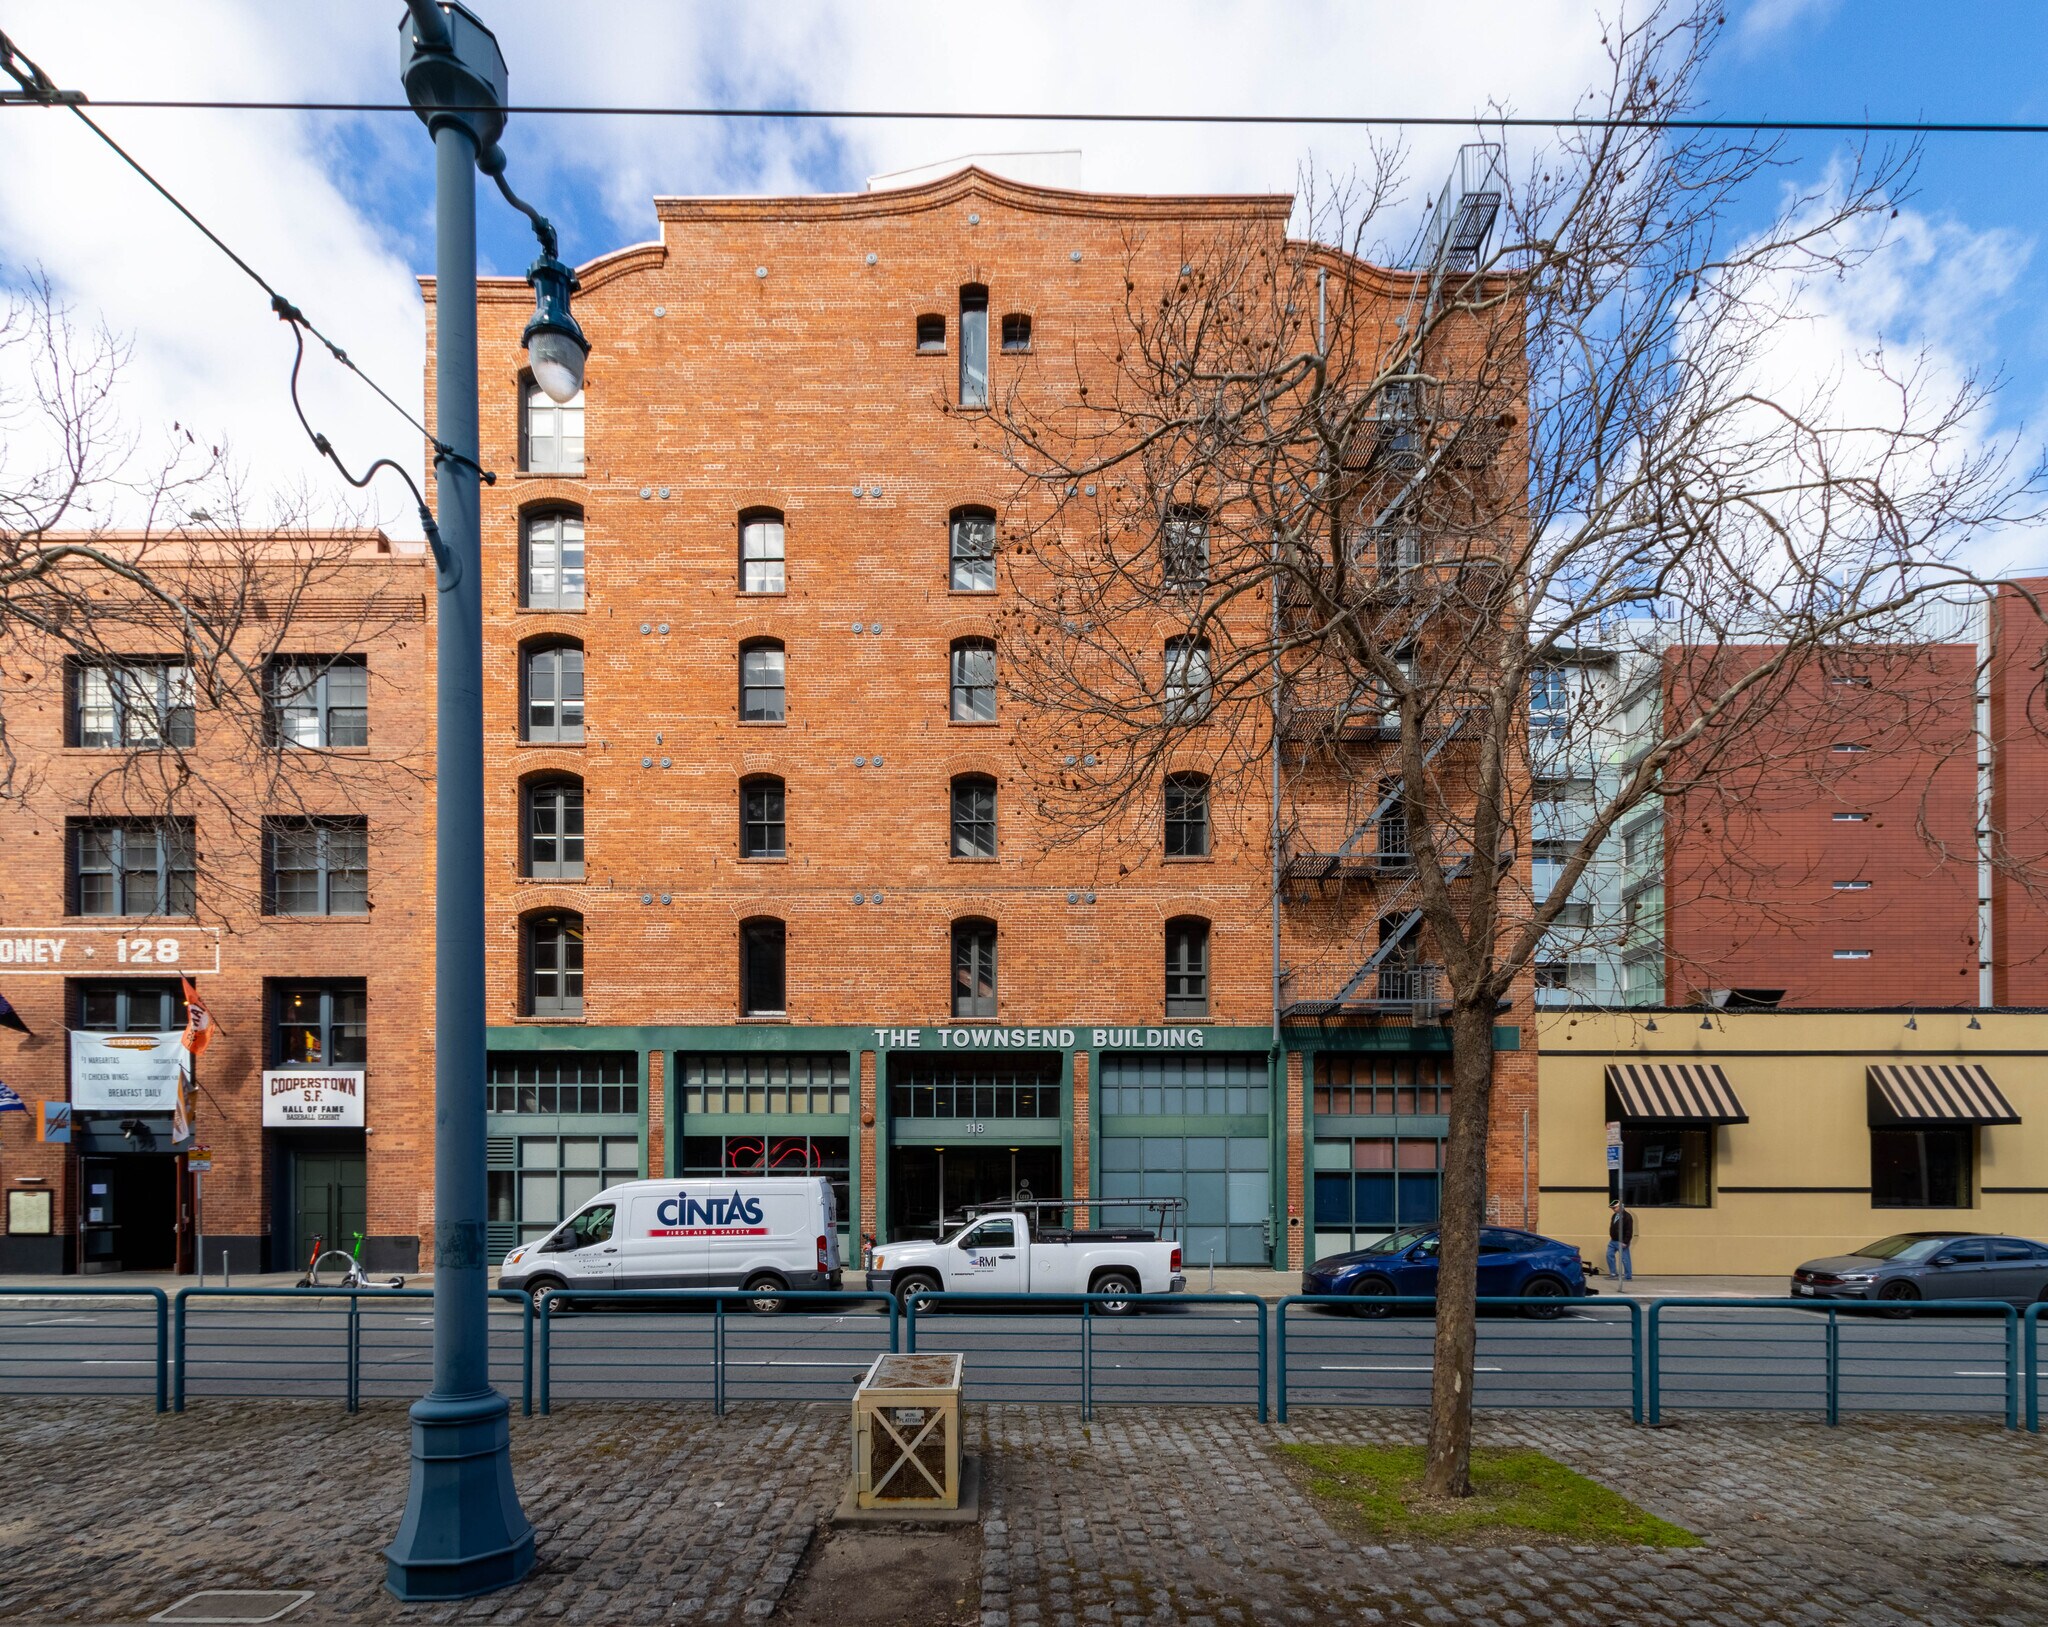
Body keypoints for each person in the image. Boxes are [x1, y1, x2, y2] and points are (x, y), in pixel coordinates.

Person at [1607, 1197, 1635, 1283]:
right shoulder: (1614, 1215)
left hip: (1622, 1241)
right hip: (1613, 1240)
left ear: (1620, 1206)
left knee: (1625, 1259)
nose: (1613, 1209)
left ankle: (1628, 1276)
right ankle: (1613, 1273)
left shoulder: (1627, 1217)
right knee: (1609, 1255)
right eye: (1612, 1208)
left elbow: (1629, 1231)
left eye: (1614, 1207)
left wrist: (1625, 1242)